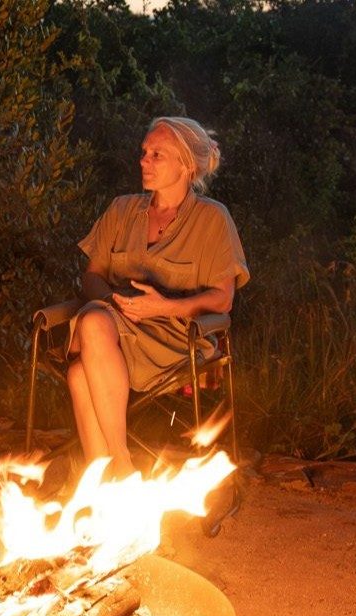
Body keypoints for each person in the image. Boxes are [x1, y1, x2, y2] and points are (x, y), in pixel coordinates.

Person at [67, 116, 248, 477]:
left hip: (177, 340)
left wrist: (163, 307)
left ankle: (115, 471)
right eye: (144, 152)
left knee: (79, 367)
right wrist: (119, 304)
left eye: (156, 155)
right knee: (88, 338)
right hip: (113, 331)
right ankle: (112, 483)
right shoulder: (121, 210)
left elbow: (222, 300)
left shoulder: (212, 219)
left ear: (187, 165)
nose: (143, 161)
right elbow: (92, 277)